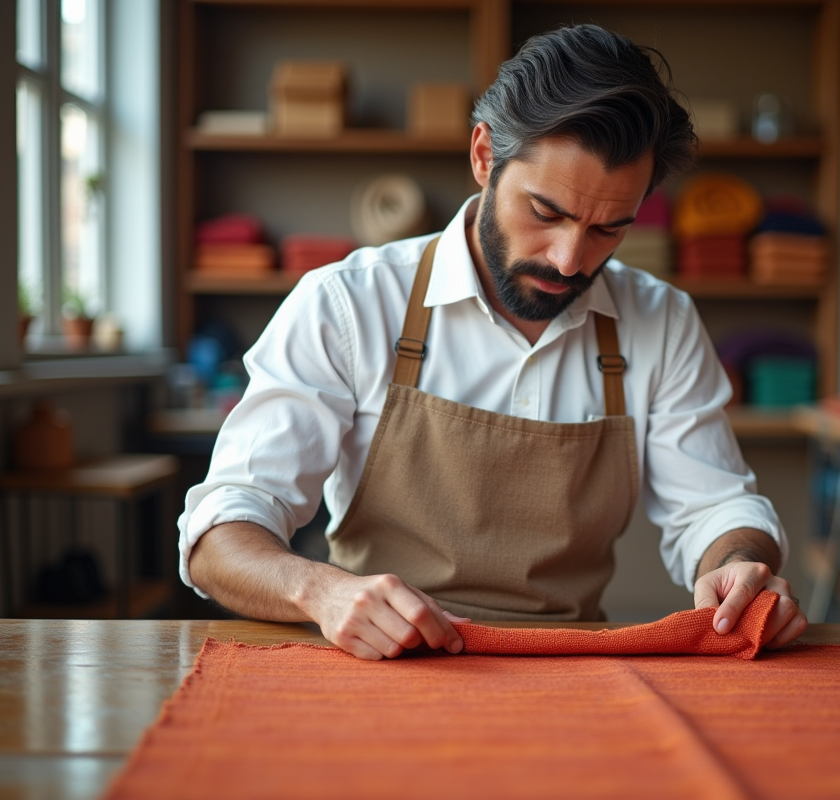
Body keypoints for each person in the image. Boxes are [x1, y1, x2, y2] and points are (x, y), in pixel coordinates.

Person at [180, 24, 806, 660]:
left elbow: (717, 507)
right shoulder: (348, 303)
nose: (569, 261)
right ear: (484, 156)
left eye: (608, 230)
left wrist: (739, 561)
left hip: (573, 672)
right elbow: (220, 535)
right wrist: (320, 591)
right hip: (381, 667)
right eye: (545, 212)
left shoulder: (661, 320)